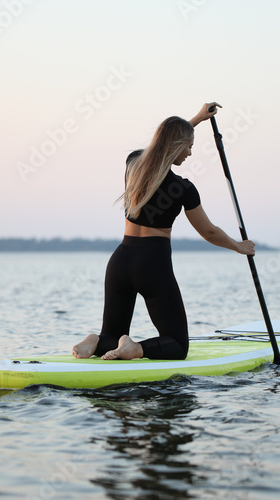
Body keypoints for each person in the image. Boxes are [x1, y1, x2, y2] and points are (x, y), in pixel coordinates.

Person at [72, 102, 255, 361]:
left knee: (112, 334)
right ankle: (136, 349)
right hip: (152, 265)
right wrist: (239, 246)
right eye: (189, 147)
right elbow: (209, 232)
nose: (190, 154)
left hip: (120, 261)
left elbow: (159, 147)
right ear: (177, 146)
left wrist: (197, 120)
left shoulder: (133, 164)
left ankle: (97, 341)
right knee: (178, 346)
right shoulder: (183, 188)